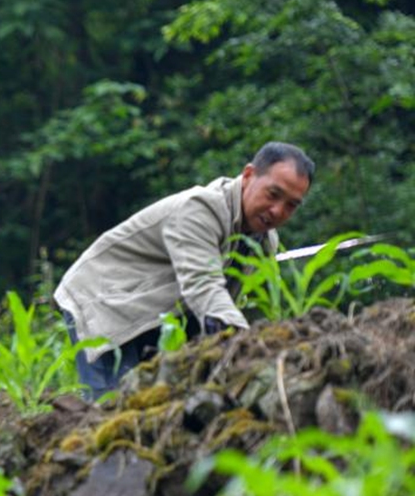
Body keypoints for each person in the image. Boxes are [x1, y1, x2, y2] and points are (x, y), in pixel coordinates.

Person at [53, 141, 314, 400]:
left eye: (291, 205)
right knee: (114, 410)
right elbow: (204, 287)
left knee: (162, 406)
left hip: (159, 312)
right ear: (248, 176)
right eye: (273, 194)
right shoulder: (199, 211)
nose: (278, 210)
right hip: (105, 301)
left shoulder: (265, 239)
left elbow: (244, 304)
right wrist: (248, 347)